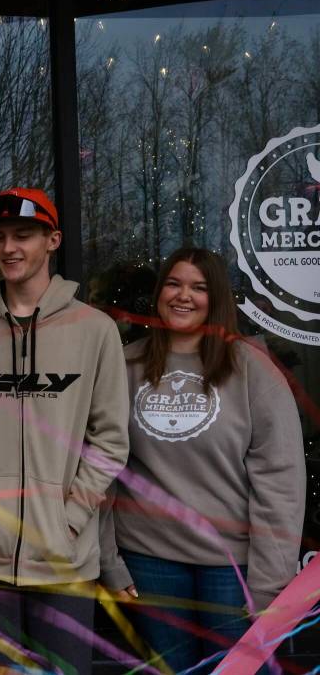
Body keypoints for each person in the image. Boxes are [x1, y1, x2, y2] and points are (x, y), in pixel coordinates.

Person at [0, 188, 129, 672]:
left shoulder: (95, 330)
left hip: (64, 558)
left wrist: (70, 517)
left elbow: (111, 438)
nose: (9, 248)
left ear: (53, 240)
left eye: (23, 236)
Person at [99, 247, 305, 672]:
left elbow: (280, 479)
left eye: (199, 287)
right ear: (159, 293)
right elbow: (103, 466)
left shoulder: (251, 368)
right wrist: (110, 564)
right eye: (173, 283)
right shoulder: (126, 364)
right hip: (148, 559)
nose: (183, 296)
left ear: (218, 298)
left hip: (232, 567)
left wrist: (270, 585)